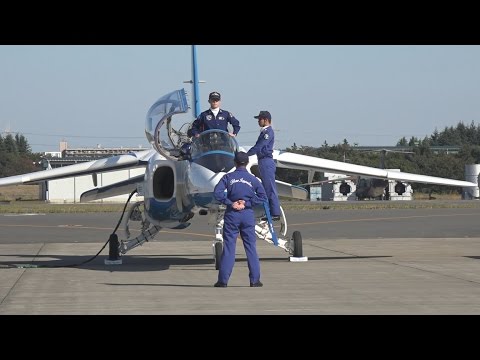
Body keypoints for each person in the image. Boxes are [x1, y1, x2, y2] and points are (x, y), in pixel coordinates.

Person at [213, 151, 268, 288]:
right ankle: (255, 280)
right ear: (247, 163)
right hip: (247, 214)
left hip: (232, 214)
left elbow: (217, 193)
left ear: (234, 163)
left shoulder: (228, 177)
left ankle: (223, 281)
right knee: (250, 247)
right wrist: (246, 203)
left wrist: (230, 203)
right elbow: (263, 196)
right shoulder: (253, 179)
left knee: (229, 247)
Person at [246, 110, 281, 221]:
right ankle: (270, 211)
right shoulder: (264, 132)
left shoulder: (267, 132)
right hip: (262, 161)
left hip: (266, 161)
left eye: (260, 119)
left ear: (266, 120)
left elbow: (259, 146)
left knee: (269, 188)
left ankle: (275, 213)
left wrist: (246, 155)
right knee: (266, 188)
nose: (258, 121)